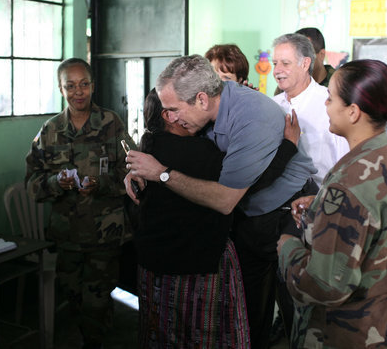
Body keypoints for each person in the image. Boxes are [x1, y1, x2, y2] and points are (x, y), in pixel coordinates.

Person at [125, 54, 317, 349]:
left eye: (174, 109)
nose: (171, 117)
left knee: (290, 308)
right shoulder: (197, 118)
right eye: (165, 111)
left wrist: (160, 174)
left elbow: (226, 199)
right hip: (240, 220)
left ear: (202, 99)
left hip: (279, 214)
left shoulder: (253, 117)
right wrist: (136, 173)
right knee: (252, 311)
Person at [277, 59, 387, 348]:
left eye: (331, 98)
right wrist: (322, 206)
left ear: (353, 111)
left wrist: (287, 248)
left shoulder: (349, 183)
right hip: (382, 325)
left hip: (340, 333)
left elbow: (326, 286)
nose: (326, 105)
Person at [25, 58, 135, 349]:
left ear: (92, 86)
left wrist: (103, 184)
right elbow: (32, 181)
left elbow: (132, 170)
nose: (78, 92)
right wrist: (54, 184)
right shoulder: (50, 131)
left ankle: (94, 340)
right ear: (61, 89)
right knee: (73, 296)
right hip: (67, 235)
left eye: (84, 84)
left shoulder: (111, 123)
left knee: (97, 298)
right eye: (70, 86)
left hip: (104, 233)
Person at [132, 88, 250, 347]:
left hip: (154, 269)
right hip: (197, 271)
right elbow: (244, 185)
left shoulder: (149, 145)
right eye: (189, 103)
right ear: (169, 115)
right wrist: (287, 146)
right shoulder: (203, 153)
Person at [272, 33, 348, 187]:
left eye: (285, 63)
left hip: (321, 201)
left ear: (305, 64)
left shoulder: (329, 104)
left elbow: (345, 165)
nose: (277, 71)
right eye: (275, 64)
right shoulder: (271, 106)